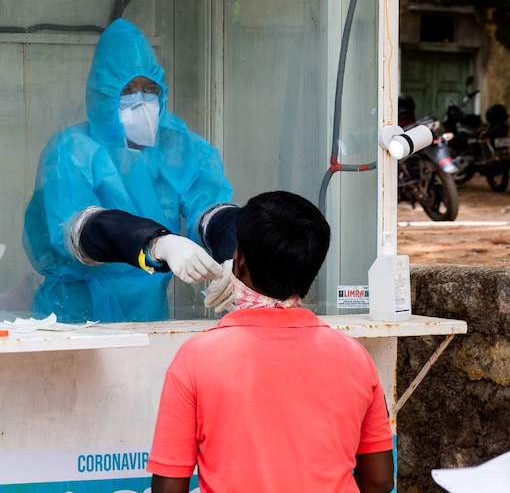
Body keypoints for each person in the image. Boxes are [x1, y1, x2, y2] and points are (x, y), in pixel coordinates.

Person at [148, 191, 395, 493]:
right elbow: (379, 481)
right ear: (311, 275)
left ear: (237, 263)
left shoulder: (196, 358)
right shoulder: (354, 356)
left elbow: (168, 488)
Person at [22, 18, 238, 323]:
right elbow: (79, 229)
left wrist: (233, 251)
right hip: (74, 316)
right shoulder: (71, 150)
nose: (142, 100)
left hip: (149, 315)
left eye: (149, 89)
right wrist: (157, 242)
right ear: (102, 97)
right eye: (128, 90)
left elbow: (210, 207)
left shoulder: (176, 144)